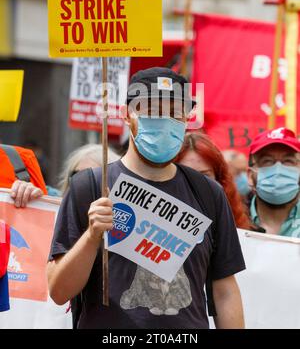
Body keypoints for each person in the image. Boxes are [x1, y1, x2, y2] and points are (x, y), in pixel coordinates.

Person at [47, 67, 245, 329]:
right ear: (126, 115)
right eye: (151, 110)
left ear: (187, 118)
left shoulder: (208, 193)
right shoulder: (90, 186)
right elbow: (59, 292)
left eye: (175, 112)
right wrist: (92, 236)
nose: (164, 121)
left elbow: (224, 289)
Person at [177, 132, 251, 229]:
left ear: (219, 180)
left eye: (204, 176)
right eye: (186, 176)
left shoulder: (238, 230)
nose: (195, 185)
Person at [247, 127, 300, 236]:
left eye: (288, 161)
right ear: (250, 175)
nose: (278, 170)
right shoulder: (229, 218)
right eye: (267, 161)